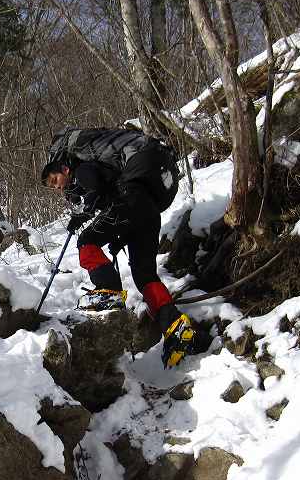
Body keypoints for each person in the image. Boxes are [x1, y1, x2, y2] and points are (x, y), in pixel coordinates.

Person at [41, 127, 197, 368]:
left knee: (86, 241)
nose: (57, 186)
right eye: (53, 186)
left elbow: (94, 188)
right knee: (145, 275)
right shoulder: (109, 170)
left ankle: (109, 292)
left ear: (64, 168)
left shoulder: (82, 169)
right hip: (148, 209)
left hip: (131, 199)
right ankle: (175, 326)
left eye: (55, 180)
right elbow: (117, 201)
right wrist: (119, 236)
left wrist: (83, 214)